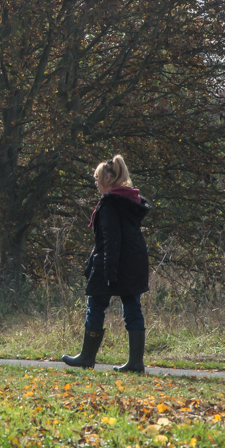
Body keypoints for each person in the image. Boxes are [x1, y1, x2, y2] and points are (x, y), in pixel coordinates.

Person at [62, 154, 151, 373]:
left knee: (95, 304)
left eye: (97, 177)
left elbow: (111, 239)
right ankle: (135, 363)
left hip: (112, 262)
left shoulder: (110, 204)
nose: (95, 182)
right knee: (132, 308)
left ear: (109, 178)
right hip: (134, 261)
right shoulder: (130, 202)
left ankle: (86, 357)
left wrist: (106, 270)